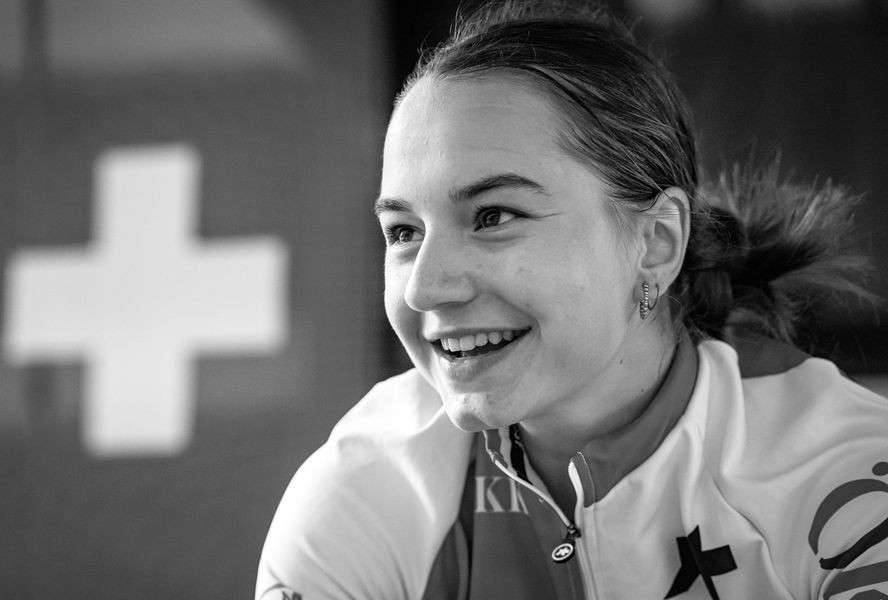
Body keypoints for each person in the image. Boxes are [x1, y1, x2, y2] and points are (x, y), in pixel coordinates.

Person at [255, 1, 888, 599]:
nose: (425, 286)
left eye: (493, 215)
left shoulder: (844, 477)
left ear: (657, 243)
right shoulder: (369, 489)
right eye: (404, 232)